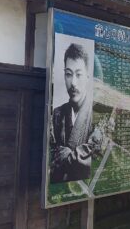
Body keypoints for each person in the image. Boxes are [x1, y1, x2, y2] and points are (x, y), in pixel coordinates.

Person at [50, 42, 103, 183]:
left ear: (87, 77)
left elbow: (95, 158)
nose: (73, 82)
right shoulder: (57, 114)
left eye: (78, 75)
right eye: (68, 74)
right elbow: (52, 156)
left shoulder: (97, 114)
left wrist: (67, 157)